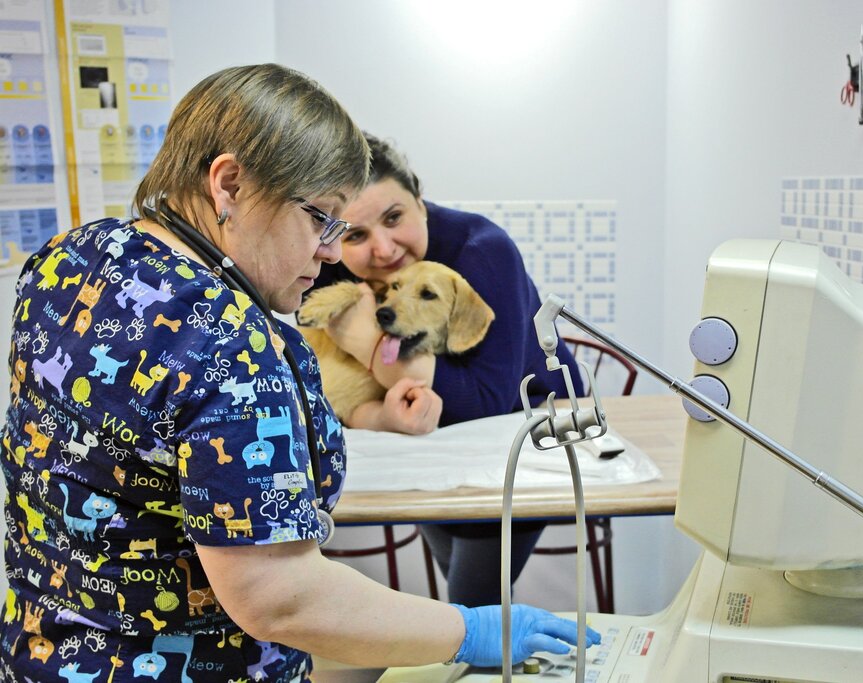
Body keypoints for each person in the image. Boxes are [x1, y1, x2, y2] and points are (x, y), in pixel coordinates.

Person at [0, 64, 596, 682]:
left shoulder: (70, 258)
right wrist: (467, 630)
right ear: (229, 184)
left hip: (45, 649)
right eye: (322, 220)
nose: (335, 253)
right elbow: (279, 596)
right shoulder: (229, 345)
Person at [311, 133, 584, 607]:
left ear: (419, 197)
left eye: (394, 217)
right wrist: (371, 414)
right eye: (355, 234)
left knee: (471, 600)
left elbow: (484, 403)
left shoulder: (484, 251)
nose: (383, 249)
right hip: (427, 440)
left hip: (530, 430)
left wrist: (364, 342)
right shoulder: (337, 265)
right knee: (465, 591)